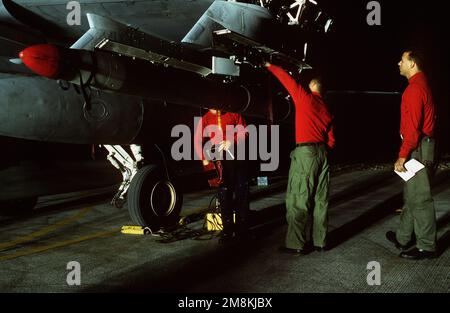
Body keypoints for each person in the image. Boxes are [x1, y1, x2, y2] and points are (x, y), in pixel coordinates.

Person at [264, 62, 335, 254]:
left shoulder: (305, 98)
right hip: (322, 154)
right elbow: (331, 140)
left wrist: (269, 65)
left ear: (312, 87)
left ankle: (296, 244)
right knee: (321, 200)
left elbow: (287, 80)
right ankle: (320, 242)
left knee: (298, 197)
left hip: (306, 153)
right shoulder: (326, 109)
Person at [386, 50, 437, 260]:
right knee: (411, 195)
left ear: (412, 63)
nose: (399, 62)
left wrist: (402, 155)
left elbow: (413, 128)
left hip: (417, 147)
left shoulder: (414, 89)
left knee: (421, 199)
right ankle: (404, 237)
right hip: (422, 146)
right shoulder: (421, 84)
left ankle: (427, 246)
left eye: (403, 60)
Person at [194, 109, 250, 243]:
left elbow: (245, 131)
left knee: (242, 193)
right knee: (224, 195)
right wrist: (204, 158)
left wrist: (233, 141)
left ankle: (243, 230)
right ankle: (227, 231)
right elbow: (197, 140)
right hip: (220, 162)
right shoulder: (206, 119)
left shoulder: (234, 113)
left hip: (238, 159)